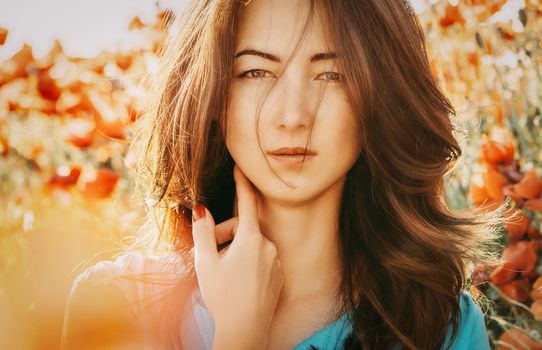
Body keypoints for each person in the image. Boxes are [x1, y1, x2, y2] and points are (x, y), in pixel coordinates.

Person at [61, 0, 509, 349]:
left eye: (332, 73)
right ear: (212, 94)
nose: (293, 115)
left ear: (379, 96)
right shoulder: (113, 306)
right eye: (255, 71)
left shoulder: (439, 328)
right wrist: (239, 337)